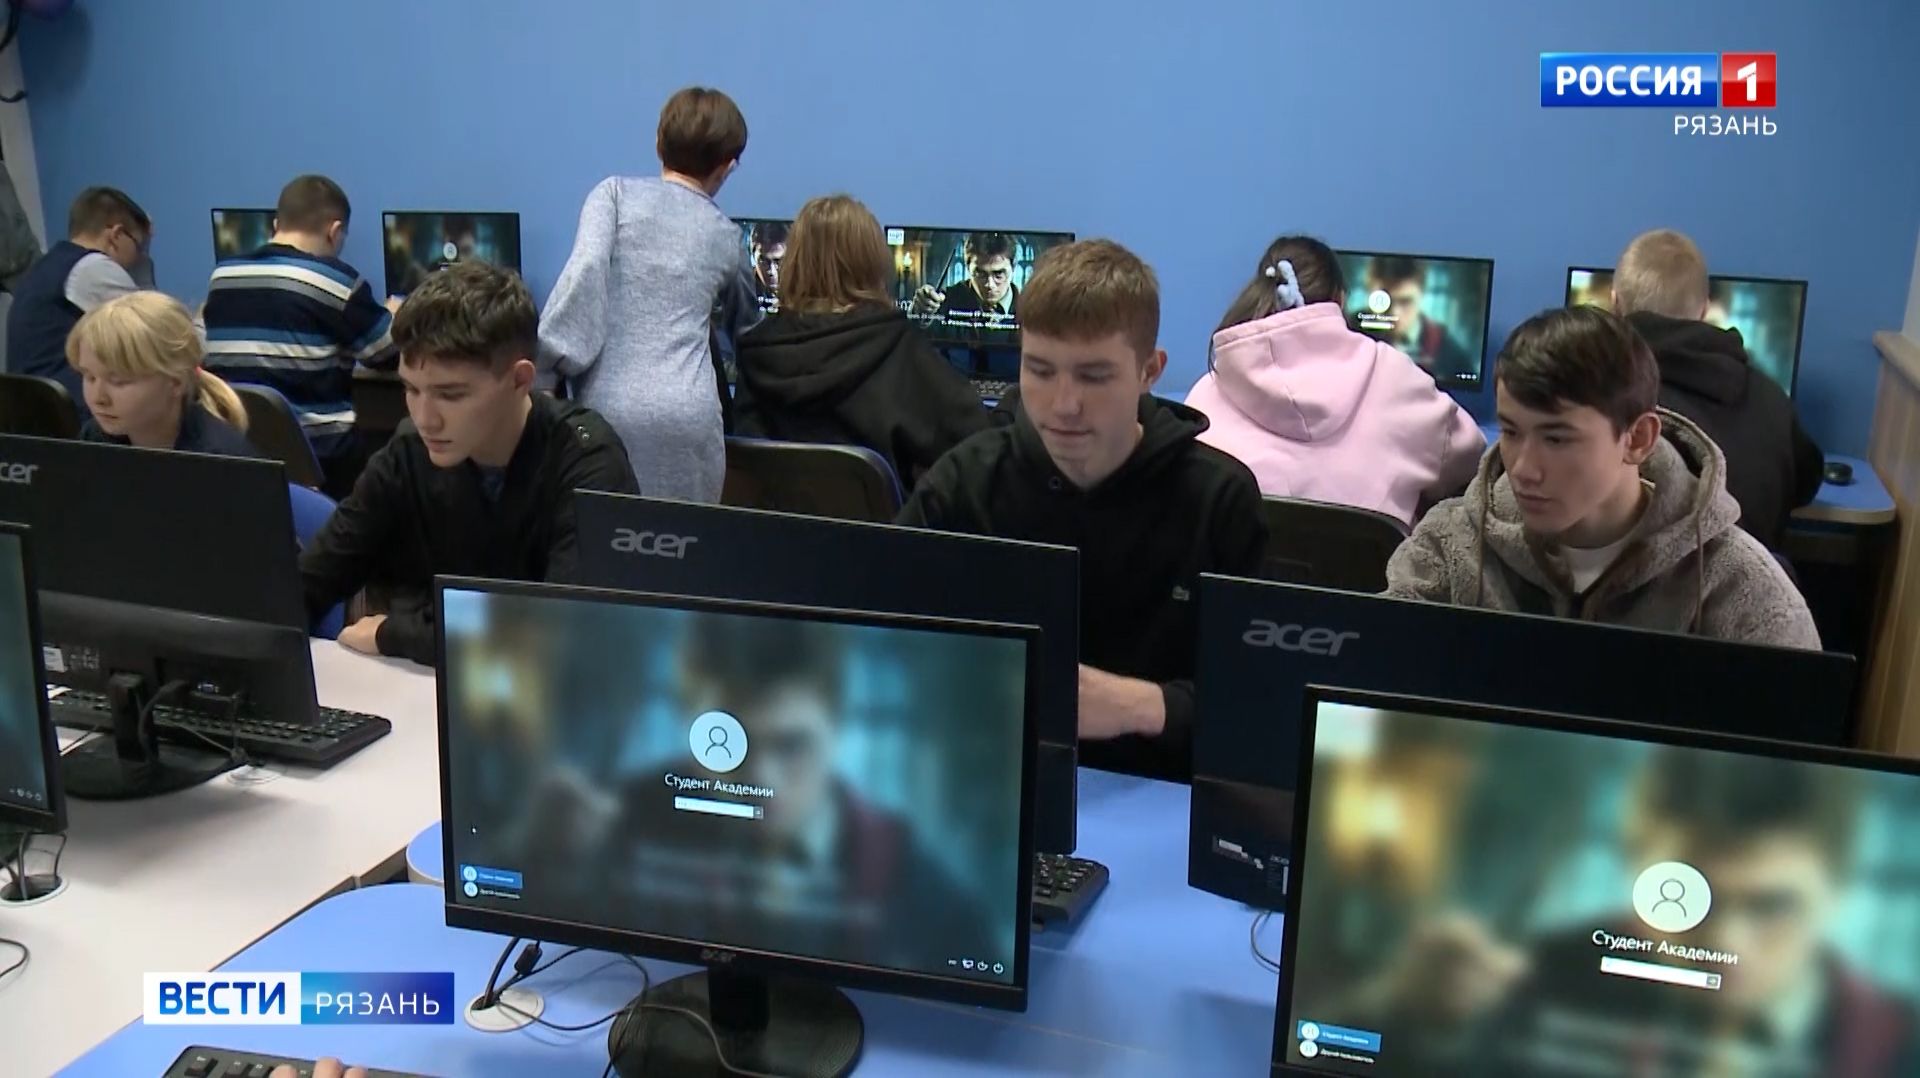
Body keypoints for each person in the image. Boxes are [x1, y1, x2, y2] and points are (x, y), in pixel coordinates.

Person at [897, 239, 1267, 781]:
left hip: (1161, 789)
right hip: (991, 779)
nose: (1063, 405)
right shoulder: (964, 484)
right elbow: (878, 654)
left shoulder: (1218, 501)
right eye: (1040, 370)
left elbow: (1258, 708)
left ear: (1149, 371)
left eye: (1093, 376)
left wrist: (1141, 705)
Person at [1325, 747, 1915, 1077]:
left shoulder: (1901, 1046)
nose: (1726, 939)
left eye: (1772, 905)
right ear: (1636, 864)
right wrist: (1400, 1011)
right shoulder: (1538, 972)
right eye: (1683, 894)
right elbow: (1324, 1044)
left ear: (1838, 892)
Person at [1386, 306, 1819, 649]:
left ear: (1638, 439)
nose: (1523, 469)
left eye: (1557, 439)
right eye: (1512, 432)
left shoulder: (1747, 594)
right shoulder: (1447, 548)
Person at [299, 261, 640, 666]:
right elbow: (305, 586)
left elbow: (564, 635)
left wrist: (397, 633)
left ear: (520, 380)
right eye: (411, 389)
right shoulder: (408, 452)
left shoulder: (587, 461)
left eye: (451, 395)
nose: (425, 419)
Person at [539, 86, 761, 503]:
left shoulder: (613, 195)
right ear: (727, 167)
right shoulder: (728, 237)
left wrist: (546, 371)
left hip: (605, 413)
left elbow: (584, 274)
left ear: (658, 142)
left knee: (603, 535)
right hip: (689, 419)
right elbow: (749, 335)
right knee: (682, 540)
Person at [1185, 235, 1483, 527]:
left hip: (1238, 562)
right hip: (1372, 562)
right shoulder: (1399, 378)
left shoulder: (1205, 397)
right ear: (1341, 301)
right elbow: (1471, 464)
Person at [733, 194, 988, 491]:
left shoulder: (756, 350)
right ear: (872, 263)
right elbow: (978, 443)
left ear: (794, 262)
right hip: (878, 523)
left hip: (776, 521)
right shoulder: (898, 346)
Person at [1609, 229, 1823, 551]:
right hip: (1751, 580)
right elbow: (1805, 486)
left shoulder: (1593, 396)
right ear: (1704, 310)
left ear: (1615, 303)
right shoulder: (1774, 400)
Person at [201, 174, 401, 498]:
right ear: (334, 231)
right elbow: (387, 355)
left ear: (276, 224)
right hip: (321, 460)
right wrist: (392, 316)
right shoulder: (336, 283)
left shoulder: (222, 275)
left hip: (239, 449)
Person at [5, 186, 153, 413]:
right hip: (74, 414)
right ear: (116, 235)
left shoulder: (46, 267)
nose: (138, 257)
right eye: (139, 246)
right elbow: (158, 339)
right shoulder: (92, 268)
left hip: (33, 414)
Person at [65, 291, 260, 457]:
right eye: (89, 377)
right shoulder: (95, 437)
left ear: (175, 382)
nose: (99, 398)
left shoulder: (221, 459)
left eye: (118, 381)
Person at [1364, 256, 1473, 380]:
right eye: (1383, 301)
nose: (1395, 312)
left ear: (1422, 294)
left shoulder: (1451, 355)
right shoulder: (1351, 331)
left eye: (1405, 302)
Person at [910, 231, 1019, 322]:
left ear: (1013, 268)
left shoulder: (1027, 307)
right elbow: (916, 331)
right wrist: (917, 314)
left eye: (999, 274)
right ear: (967, 267)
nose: (990, 285)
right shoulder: (944, 302)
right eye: (980, 274)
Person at [748, 219, 789, 310]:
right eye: (764, 261)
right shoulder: (743, 291)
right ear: (753, 260)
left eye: (779, 262)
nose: (771, 271)